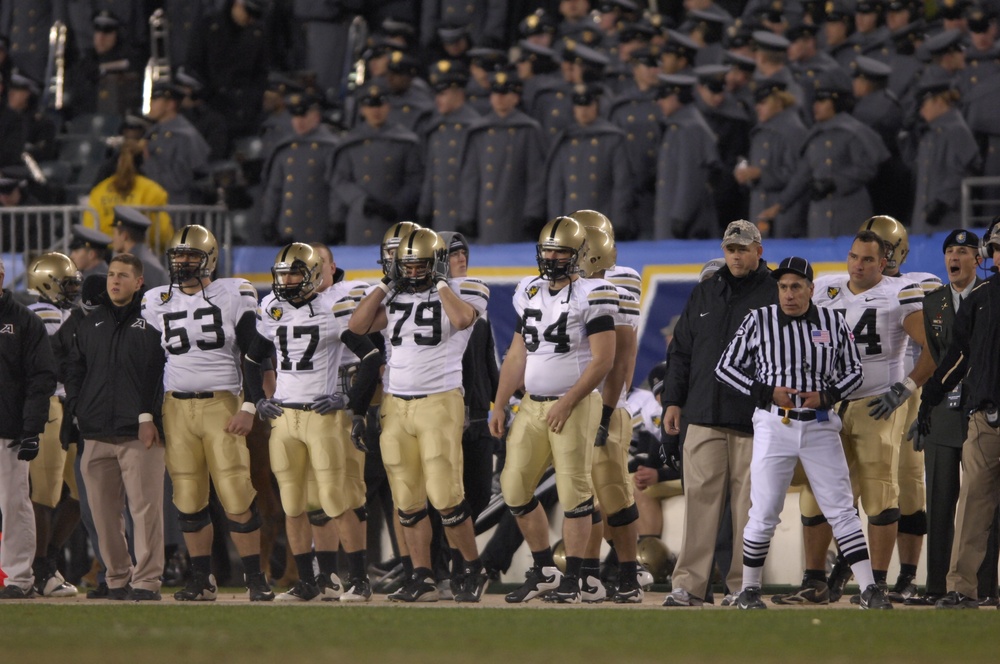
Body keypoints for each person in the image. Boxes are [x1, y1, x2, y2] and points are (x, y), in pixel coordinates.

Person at [715, 256, 891, 610]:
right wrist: (765, 391)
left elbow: (854, 372)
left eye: (796, 286)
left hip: (820, 422)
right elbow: (725, 367)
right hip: (773, 421)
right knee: (764, 509)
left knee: (841, 509)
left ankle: (869, 588)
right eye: (783, 287)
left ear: (812, 289)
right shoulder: (758, 320)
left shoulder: (831, 321)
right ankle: (749, 589)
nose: (789, 294)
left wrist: (827, 395)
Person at [350, 228, 491, 603]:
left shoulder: (467, 288)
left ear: (438, 263)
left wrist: (442, 282)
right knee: (407, 500)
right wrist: (385, 282)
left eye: (420, 265)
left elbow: (463, 321)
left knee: (446, 495)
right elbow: (357, 325)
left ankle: (473, 568)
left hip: (440, 400)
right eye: (406, 265)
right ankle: (422, 575)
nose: (411, 272)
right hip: (396, 403)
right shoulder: (394, 291)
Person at [140, 224, 275, 602]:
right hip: (175, 405)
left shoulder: (233, 292)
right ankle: (202, 580)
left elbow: (253, 351)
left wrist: (250, 405)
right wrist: (146, 416)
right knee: (187, 495)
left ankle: (255, 578)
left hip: (222, 402)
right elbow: (151, 362)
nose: (182, 263)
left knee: (236, 491)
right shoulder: (156, 299)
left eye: (191, 256)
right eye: (178, 256)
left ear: (209, 259)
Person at [489, 216, 618, 604]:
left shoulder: (593, 293)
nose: (552, 257)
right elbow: (516, 352)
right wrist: (499, 402)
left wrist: (568, 401)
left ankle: (574, 579)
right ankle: (545, 567)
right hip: (531, 405)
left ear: (579, 253)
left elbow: (603, 360)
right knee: (513, 488)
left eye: (561, 250)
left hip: (574, 404)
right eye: (547, 249)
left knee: (574, 491)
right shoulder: (528, 290)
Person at [797, 230, 930, 602]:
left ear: (884, 261)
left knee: (880, 493)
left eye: (868, 259)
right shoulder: (825, 288)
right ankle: (815, 579)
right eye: (854, 257)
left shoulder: (900, 291)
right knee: (816, 493)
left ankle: (876, 582)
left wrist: (904, 388)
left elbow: (932, 349)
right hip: (829, 403)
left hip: (875, 404)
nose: (858, 265)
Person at [255, 243, 382, 602]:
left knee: (337, 497)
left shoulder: (338, 304)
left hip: (327, 411)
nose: (289, 279)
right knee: (295, 502)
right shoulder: (272, 307)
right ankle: (314, 580)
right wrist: (258, 398)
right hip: (287, 414)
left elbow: (371, 354)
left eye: (296, 271)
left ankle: (358, 578)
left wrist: (351, 400)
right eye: (284, 273)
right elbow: (254, 354)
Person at [660, 219, 778, 607]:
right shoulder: (704, 293)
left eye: (743, 249)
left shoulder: (777, 292)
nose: (736, 255)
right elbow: (681, 354)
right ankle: (689, 587)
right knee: (700, 507)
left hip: (754, 417)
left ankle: (744, 586)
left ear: (758, 251)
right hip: (703, 415)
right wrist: (673, 402)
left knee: (749, 509)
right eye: (731, 249)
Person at [905, 228, 1000, 606]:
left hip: (981, 414)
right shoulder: (983, 297)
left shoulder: (981, 296)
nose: (996, 256)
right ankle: (961, 588)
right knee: (973, 506)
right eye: (995, 248)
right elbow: (958, 357)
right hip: (987, 418)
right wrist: (929, 399)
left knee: (974, 505)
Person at [65, 253, 167, 601]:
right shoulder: (90, 322)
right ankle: (118, 577)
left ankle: (148, 581)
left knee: (145, 510)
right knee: (102, 515)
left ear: (139, 282)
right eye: (111, 275)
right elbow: (75, 369)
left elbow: (160, 375)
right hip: (95, 432)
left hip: (138, 432)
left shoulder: (154, 319)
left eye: (123, 275)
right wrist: (76, 411)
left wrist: (151, 417)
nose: (114, 281)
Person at [578, 225, 644, 602]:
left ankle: (628, 575)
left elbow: (622, 358)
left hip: (606, 403)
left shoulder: (621, 281)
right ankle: (587, 576)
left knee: (615, 494)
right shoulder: (556, 284)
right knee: (579, 495)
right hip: (571, 403)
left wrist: (605, 411)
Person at [759, 71, 889, 238]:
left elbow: (866, 168)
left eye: (822, 101)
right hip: (819, 214)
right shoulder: (815, 136)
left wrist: (835, 181)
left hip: (849, 211)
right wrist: (780, 205)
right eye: (815, 101)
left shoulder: (852, 132)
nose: (815, 106)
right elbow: (802, 176)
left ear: (836, 102)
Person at [25, 253, 82, 598]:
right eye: (68, 283)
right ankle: (41, 569)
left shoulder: (66, 313)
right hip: (49, 406)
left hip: (70, 406)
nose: (73, 289)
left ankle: (48, 560)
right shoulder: (41, 315)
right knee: (45, 494)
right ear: (47, 283)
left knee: (80, 492)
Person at [0, 255, 57, 599]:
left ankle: (19, 578)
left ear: (3, 275)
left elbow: (42, 377)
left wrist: (31, 429)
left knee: (14, 504)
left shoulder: (24, 321)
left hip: (7, 430)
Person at [460, 70, 546, 244]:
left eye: (505, 94)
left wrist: (533, 212)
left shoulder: (527, 129)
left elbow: (536, 176)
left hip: (516, 212)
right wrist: (467, 214)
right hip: (485, 213)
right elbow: (471, 177)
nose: (499, 98)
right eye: (496, 93)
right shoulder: (480, 131)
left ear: (515, 97)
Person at [330, 83, 422, 246]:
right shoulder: (351, 142)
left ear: (388, 106)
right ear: (362, 109)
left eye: (380, 104)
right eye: (370, 105)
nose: (375, 110)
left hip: (395, 219)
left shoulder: (405, 141)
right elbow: (340, 179)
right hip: (361, 219)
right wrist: (361, 201)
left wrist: (398, 204)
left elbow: (415, 178)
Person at [545, 85, 632, 230]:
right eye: (579, 106)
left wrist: (618, 219)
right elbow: (556, 186)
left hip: (602, 216)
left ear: (596, 106)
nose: (583, 111)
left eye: (588, 105)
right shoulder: (565, 139)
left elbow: (621, 183)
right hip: (570, 219)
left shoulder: (612, 138)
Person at [260, 92, 339, 245]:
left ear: (315, 116)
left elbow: (336, 189)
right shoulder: (285, 148)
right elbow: (274, 189)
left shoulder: (329, 147)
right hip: (288, 230)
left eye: (303, 115)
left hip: (318, 227)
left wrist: (336, 221)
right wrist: (267, 220)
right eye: (295, 116)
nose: (299, 121)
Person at [909, 69, 981, 234]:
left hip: (947, 221)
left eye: (924, 104)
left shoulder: (956, 130)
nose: (921, 111)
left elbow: (968, 167)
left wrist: (942, 202)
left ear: (939, 102)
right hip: (926, 224)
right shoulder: (932, 132)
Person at [736, 79, 808, 239]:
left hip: (785, 213)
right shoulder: (761, 131)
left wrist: (761, 174)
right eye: (757, 103)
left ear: (779, 101)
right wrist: (746, 174)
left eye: (763, 102)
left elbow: (799, 176)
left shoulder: (794, 130)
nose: (757, 107)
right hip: (761, 211)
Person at [652, 74, 720, 240]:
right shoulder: (680, 124)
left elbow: (690, 176)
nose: (659, 102)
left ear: (677, 96)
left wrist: (681, 216)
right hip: (676, 217)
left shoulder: (689, 128)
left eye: (664, 96)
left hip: (687, 223)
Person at [417, 60, 482, 230]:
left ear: (458, 93)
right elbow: (431, 173)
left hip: (465, 218)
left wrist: (468, 215)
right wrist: (424, 208)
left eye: (443, 94)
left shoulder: (474, 127)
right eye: (436, 94)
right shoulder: (436, 127)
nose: (437, 100)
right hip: (440, 215)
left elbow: (475, 177)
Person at [86, 139, 172, 252]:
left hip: (103, 256)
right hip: (140, 256)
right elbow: (162, 232)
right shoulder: (152, 189)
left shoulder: (99, 190)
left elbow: (89, 227)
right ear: (142, 161)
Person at [142, 81, 211, 206]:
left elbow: (178, 182)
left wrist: (147, 157)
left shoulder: (184, 136)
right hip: (153, 201)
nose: (151, 104)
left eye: (156, 100)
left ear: (170, 104)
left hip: (176, 205)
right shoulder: (152, 133)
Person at [109, 206, 169, 289]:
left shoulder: (142, 264)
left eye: (114, 234)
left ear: (124, 236)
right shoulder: (140, 258)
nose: (112, 239)